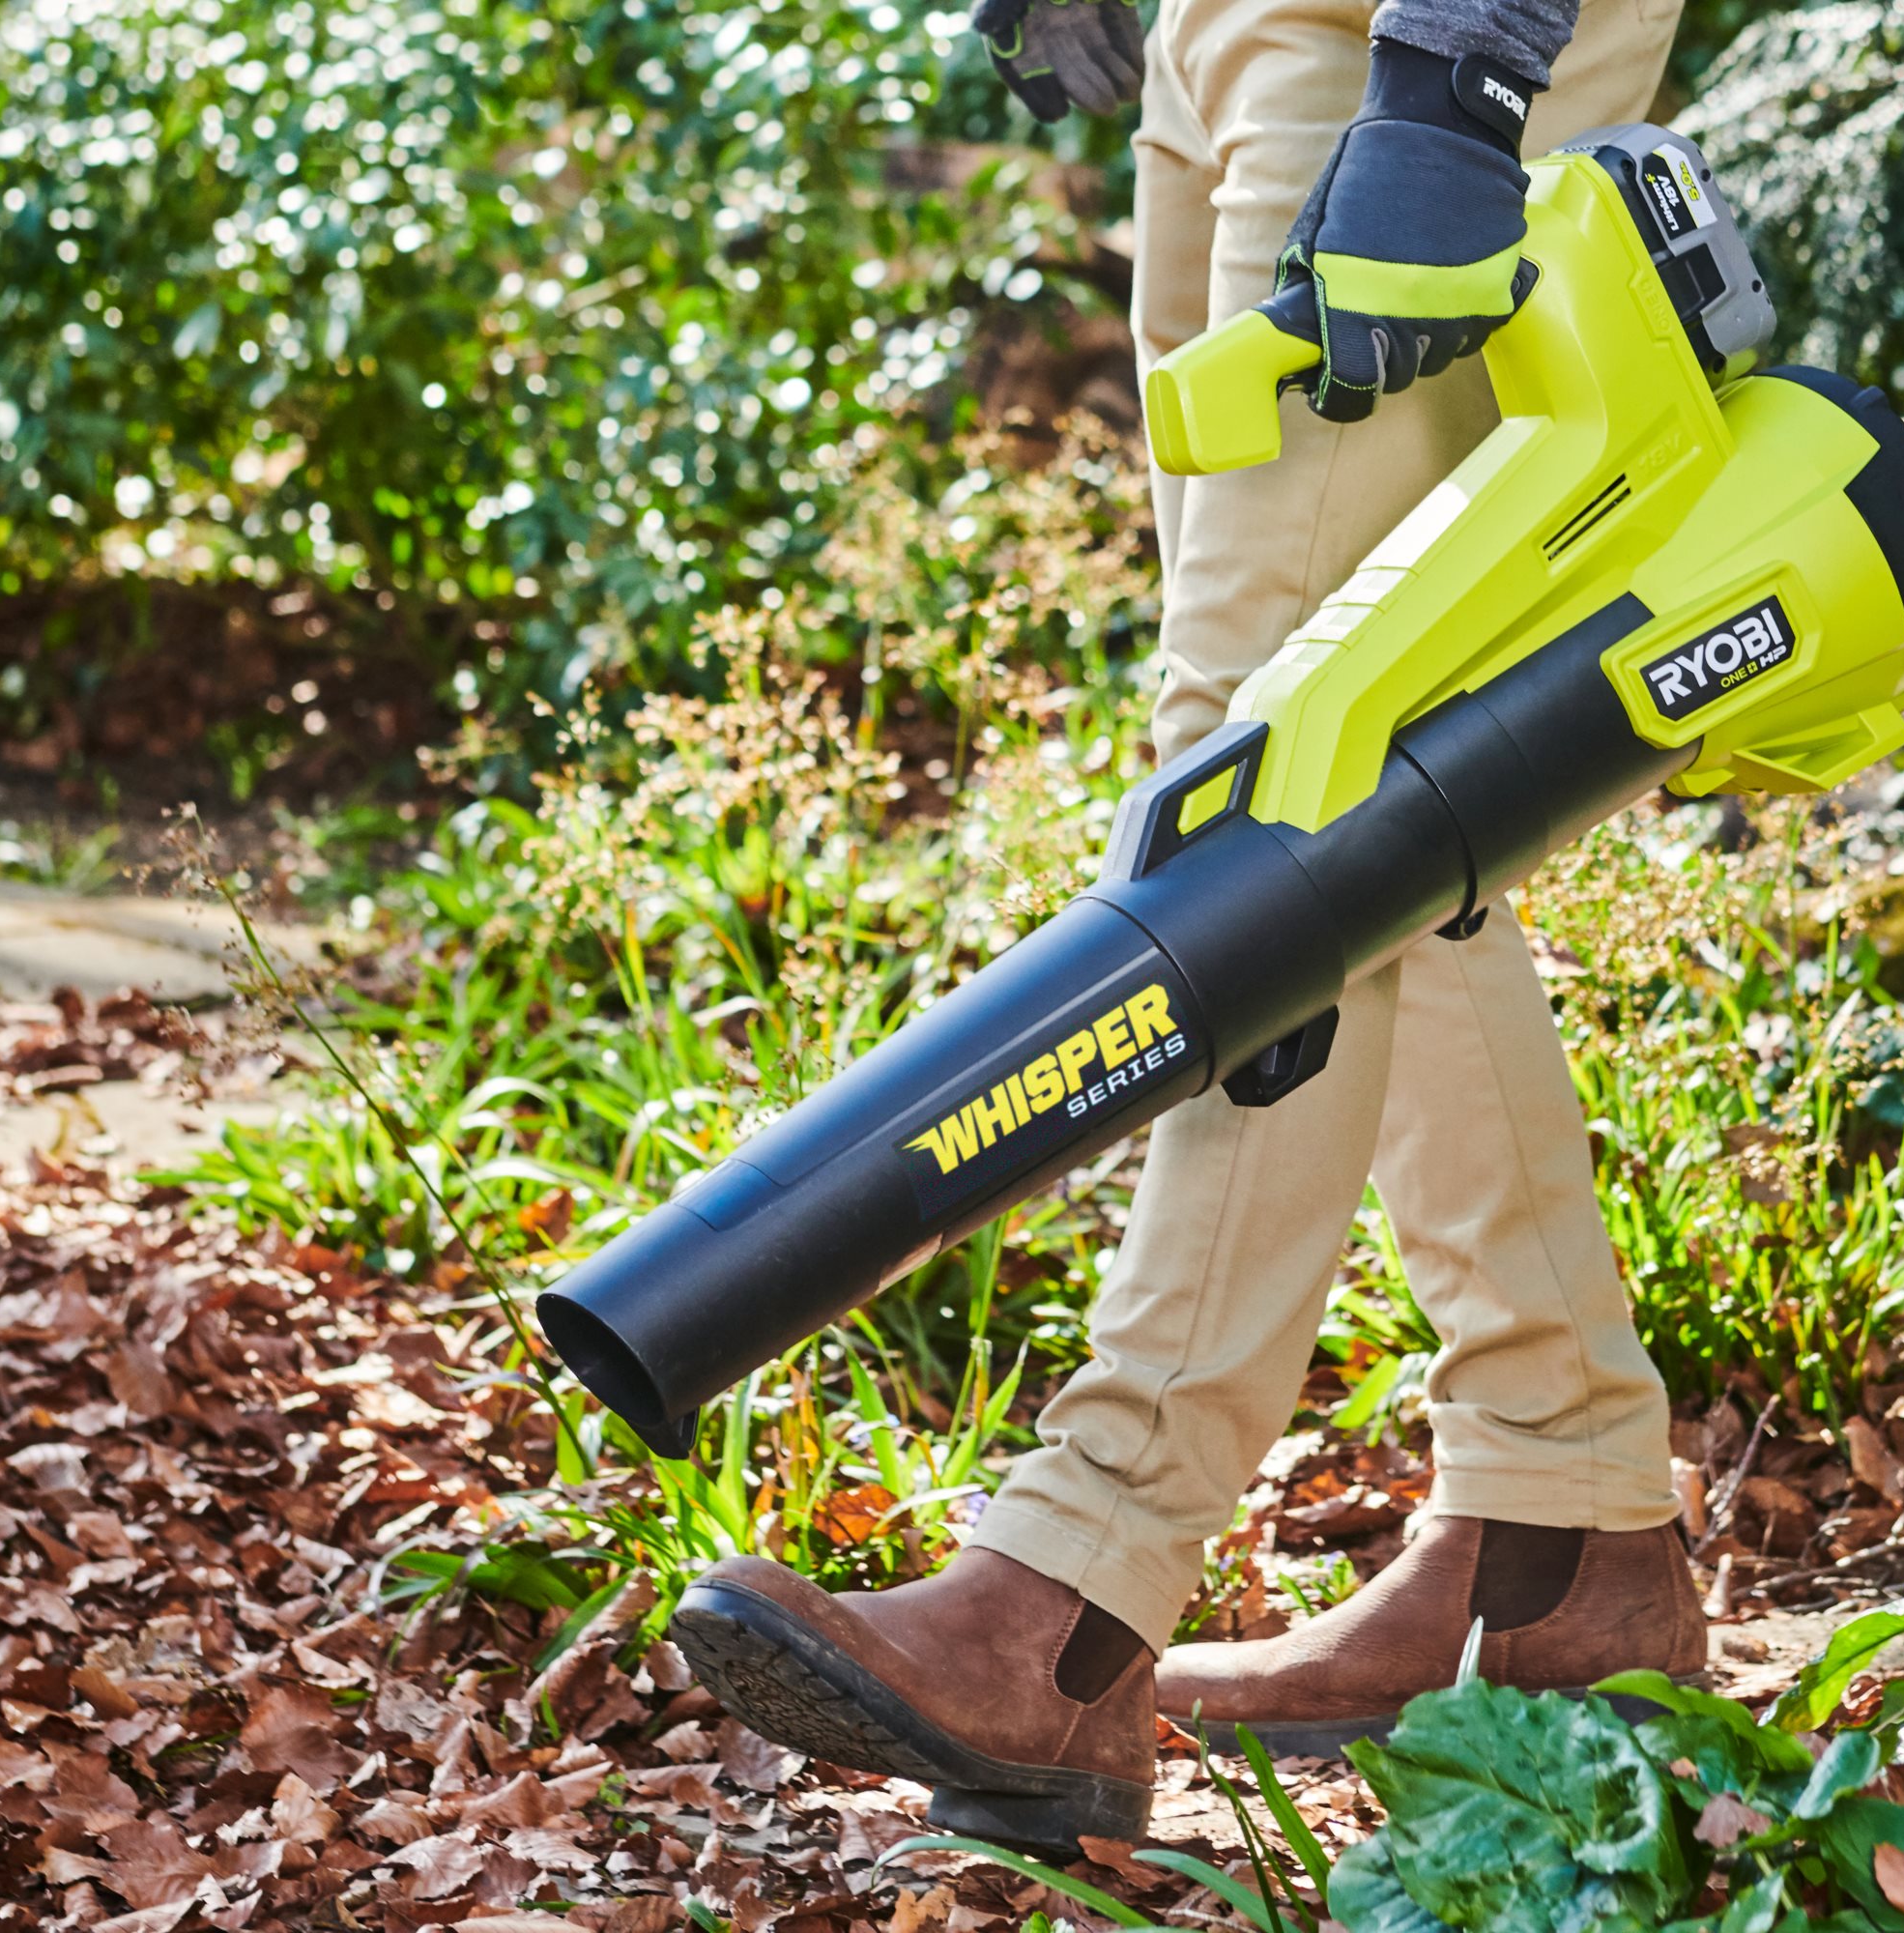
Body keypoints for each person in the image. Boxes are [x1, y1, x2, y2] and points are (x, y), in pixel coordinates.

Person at [669, 0, 1704, 1845]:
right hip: (1221, 30)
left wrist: (1454, 78)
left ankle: (1079, 1592)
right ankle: (1564, 1536)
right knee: (1376, 795)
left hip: (1403, 46)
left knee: (1276, 797)